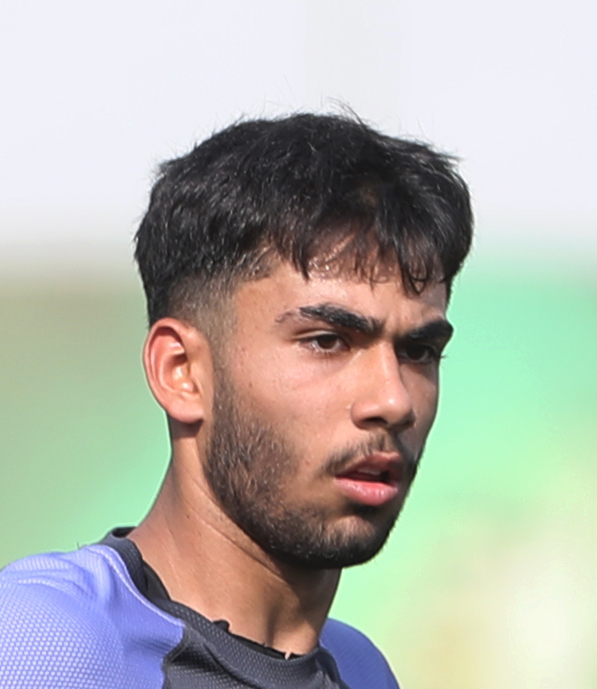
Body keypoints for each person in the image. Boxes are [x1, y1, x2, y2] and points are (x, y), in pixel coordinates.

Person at [0, 113, 473, 688]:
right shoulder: (45, 644)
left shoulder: (362, 671)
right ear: (181, 372)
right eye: (327, 341)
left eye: (419, 350)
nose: (393, 400)